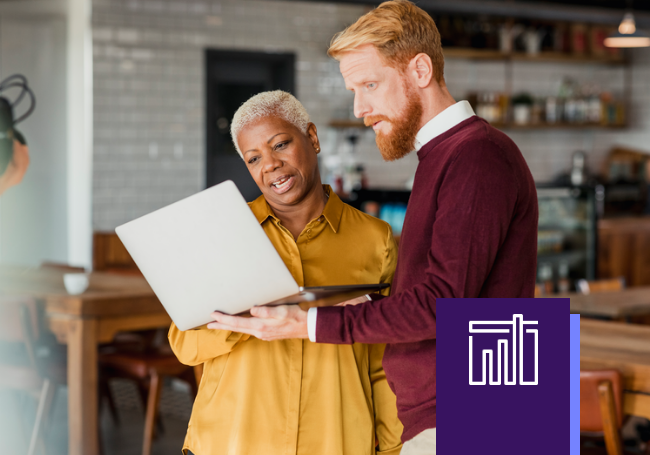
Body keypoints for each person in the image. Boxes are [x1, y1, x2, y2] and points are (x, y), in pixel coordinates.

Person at [207, 1, 539, 454]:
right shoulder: (444, 155)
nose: (361, 108)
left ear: (419, 69)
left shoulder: (476, 155)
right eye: (354, 91)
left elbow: (444, 304)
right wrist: (378, 300)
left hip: (475, 415)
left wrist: (310, 323)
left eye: (369, 84)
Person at [169, 90, 403, 455]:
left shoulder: (376, 239)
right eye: (254, 158)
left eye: (280, 144)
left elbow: (386, 360)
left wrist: (391, 448)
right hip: (233, 441)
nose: (271, 165)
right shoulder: (223, 230)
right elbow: (184, 345)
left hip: (334, 439)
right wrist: (248, 312)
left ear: (312, 137)